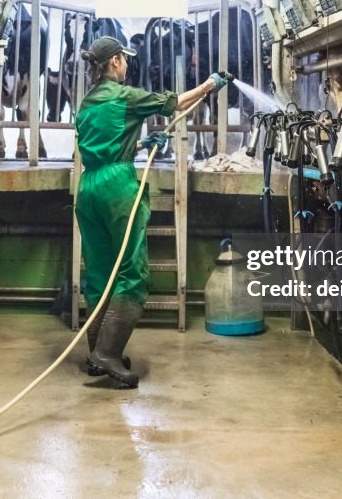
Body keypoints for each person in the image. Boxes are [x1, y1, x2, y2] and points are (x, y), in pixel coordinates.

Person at [75, 35, 230, 388]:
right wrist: (210, 84)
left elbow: (103, 142)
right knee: (131, 272)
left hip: (88, 188)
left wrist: (144, 142)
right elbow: (175, 103)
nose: (127, 64)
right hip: (117, 188)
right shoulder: (125, 96)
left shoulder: (86, 102)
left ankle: (96, 352)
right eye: (124, 59)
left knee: (100, 273)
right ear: (114, 61)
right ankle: (109, 353)